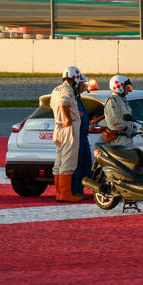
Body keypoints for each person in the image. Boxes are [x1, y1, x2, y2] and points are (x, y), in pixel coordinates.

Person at [50, 66, 86, 202]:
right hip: (68, 129)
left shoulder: (56, 89)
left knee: (59, 161)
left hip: (58, 127)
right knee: (68, 161)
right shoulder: (68, 90)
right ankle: (65, 193)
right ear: (75, 78)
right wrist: (69, 118)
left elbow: (55, 104)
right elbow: (63, 103)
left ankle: (59, 193)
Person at [71, 73, 93, 199]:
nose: (83, 86)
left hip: (83, 137)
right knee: (77, 165)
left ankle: (80, 190)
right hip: (77, 137)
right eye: (81, 84)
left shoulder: (78, 98)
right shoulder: (72, 98)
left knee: (85, 165)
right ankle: (75, 190)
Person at [103, 74, 137, 148]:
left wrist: (134, 127)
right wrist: (126, 129)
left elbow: (128, 117)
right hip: (118, 139)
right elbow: (114, 120)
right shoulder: (112, 101)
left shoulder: (123, 100)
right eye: (126, 87)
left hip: (127, 138)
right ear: (119, 87)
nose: (128, 89)